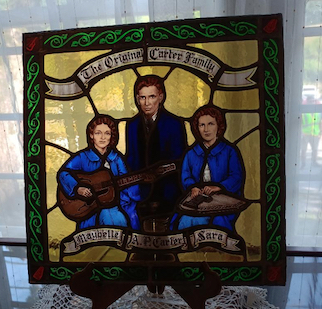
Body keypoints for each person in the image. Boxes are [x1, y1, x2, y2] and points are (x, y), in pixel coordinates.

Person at [58, 115, 141, 230]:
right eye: (98, 133)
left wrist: (140, 184)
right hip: (87, 209)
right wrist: (77, 188)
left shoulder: (116, 159)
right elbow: (63, 173)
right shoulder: (83, 157)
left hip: (113, 208)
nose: (102, 137)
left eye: (107, 133)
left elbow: (126, 182)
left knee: (116, 220)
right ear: (91, 135)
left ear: (112, 136)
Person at [171, 105, 245, 231]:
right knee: (185, 221)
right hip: (196, 202)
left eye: (210, 124)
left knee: (219, 223)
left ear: (218, 126)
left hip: (222, 203)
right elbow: (185, 176)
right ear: (197, 128)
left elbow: (236, 176)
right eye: (202, 125)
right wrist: (193, 187)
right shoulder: (191, 153)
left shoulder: (229, 151)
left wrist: (219, 187)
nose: (206, 129)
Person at [126, 75, 187, 222]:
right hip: (139, 194)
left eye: (151, 97)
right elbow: (131, 158)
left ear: (161, 97)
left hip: (168, 192)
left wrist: (160, 172)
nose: (147, 103)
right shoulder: (132, 125)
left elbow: (181, 160)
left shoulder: (174, 124)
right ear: (137, 99)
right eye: (142, 98)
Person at [301, 95, 322, 168]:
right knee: (303, 150)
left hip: (315, 134)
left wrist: (320, 133)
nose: (312, 102)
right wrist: (301, 133)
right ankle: (303, 164)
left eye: (313, 101)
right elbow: (299, 122)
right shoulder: (303, 112)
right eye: (310, 101)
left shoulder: (318, 112)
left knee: (315, 150)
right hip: (305, 134)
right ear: (307, 102)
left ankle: (314, 162)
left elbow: (320, 123)